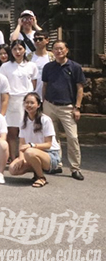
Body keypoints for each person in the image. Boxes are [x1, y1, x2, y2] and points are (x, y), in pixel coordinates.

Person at [42, 40, 85, 180]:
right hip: (50, 105)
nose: (58, 51)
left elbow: (80, 88)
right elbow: (45, 85)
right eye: (55, 49)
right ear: (52, 51)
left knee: (72, 137)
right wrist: (43, 103)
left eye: (61, 48)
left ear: (66, 50)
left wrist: (77, 107)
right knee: (53, 137)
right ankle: (56, 164)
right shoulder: (48, 67)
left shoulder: (75, 67)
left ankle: (75, 168)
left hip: (68, 107)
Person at [9, 92, 61, 187]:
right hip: (32, 153)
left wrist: (32, 145)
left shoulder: (45, 120)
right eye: (26, 102)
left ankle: (41, 177)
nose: (29, 105)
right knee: (13, 169)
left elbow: (48, 144)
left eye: (32, 103)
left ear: (38, 105)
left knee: (29, 152)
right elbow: (21, 143)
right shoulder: (23, 121)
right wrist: (21, 158)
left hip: (50, 155)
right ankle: (36, 169)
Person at [0, 40, 38, 162]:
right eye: (15, 49)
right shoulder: (5, 67)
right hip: (12, 101)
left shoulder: (31, 65)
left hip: (27, 101)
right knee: (12, 132)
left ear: (25, 50)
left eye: (20, 49)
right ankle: (13, 158)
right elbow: (3, 85)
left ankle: (26, 158)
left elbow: (34, 83)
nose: (17, 52)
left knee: (27, 130)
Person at [30, 33, 54, 99]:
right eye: (35, 39)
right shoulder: (29, 57)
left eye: (40, 39)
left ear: (47, 40)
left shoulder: (53, 57)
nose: (37, 41)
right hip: (32, 95)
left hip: (48, 95)